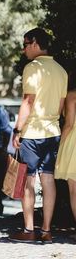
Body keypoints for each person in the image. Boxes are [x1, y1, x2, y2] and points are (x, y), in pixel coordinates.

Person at [9, 28, 67, 244]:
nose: (23, 49)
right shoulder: (61, 70)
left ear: (34, 43)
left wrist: (17, 129)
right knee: (49, 179)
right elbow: (61, 107)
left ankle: (28, 229)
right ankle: (46, 231)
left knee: (28, 181)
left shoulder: (32, 68)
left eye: (25, 44)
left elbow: (28, 101)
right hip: (53, 132)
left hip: (33, 132)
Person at [53, 66, 76, 238]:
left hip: (73, 143)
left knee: (74, 190)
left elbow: (68, 124)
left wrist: (60, 145)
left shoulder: (71, 95)